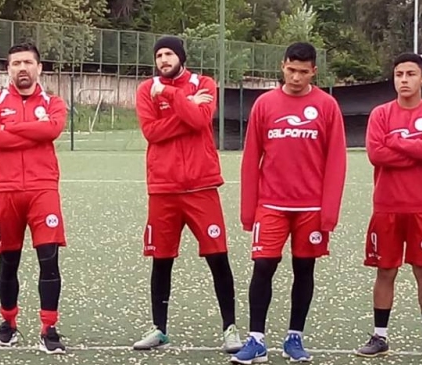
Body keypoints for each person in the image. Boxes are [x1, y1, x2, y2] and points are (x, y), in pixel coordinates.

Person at [232, 42, 347, 364]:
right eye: (291, 69)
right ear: (282, 66)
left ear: (313, 71)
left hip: (310, 208)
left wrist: (329, 213)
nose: (296, 77)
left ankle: (295, 338)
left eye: (303, 71)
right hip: (271, 204)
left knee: (304, 269)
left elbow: (336, 161)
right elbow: (251, 157)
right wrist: (247, 209)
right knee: (263, 266)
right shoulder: (264, 104)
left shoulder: (326, 106)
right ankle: (256, 339)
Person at [131, 35, 243, 353]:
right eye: (159, 55)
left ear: (181, 56)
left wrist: (169, 95)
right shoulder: (144, 90)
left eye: (169, 54)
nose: (164, 59)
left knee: (217, 257)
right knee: (161, 260)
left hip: (201, 187)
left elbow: (201, 120)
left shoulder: (204, 83)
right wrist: (187, 111)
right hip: (163, 188)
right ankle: (159, 328)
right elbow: (151, 132)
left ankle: (230, 328)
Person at [0, 42, 67, 355]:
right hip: (3, 190)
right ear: (8, 69)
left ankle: (49, 328)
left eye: (28, 62)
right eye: (16, 63)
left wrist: (11, 128)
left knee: (49, 261)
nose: (22, 68)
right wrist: (34, 130)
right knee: (8, 263)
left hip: (43, 189)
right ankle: (8, 324)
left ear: (39, 68)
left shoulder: (53, 102)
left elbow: (53, 129)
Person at [355, 52, 422, 357]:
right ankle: (380, 337)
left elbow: (387, 147)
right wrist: (414, 149)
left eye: (410, 74)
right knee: (385, 271)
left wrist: (395, 142)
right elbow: (376, 155)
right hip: (387, 207)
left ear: (421, 78)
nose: (404, 80)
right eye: (399, 74)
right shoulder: (380, 114)